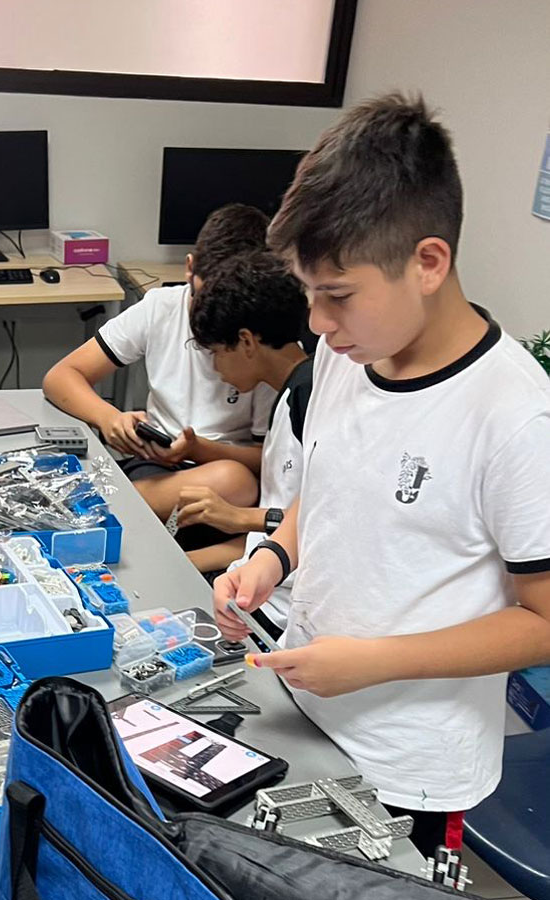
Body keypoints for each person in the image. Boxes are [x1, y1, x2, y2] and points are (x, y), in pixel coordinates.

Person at [214, 93, 550, 859]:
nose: (317, 324)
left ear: (428, 263)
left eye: (337, 296)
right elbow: (329, 487)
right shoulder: (344, 354)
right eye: (309, 294)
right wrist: (270, 557)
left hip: (409, 766)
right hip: (303, 706)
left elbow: (546, 621)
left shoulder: (516, 417)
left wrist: (371, 664)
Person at [42, 204, 274, 523]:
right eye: (205, 299)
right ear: (190, 269)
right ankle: (105, 509)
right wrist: (109, 418)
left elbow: (270, 459)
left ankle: (101, 509)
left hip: (224, 475)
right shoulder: (161, 308)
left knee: (236, 480)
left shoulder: (263, 341)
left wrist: (197, 450)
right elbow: (61, 377)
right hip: (156, 467)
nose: (212, 317)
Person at [184, 250, 311, 640]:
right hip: (256, 580)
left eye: (218, 354)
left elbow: (314, 519)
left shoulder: (306, 400)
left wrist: (239, 518)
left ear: (246, 341)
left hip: (278, 609)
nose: (217, 369)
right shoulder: (292, 390)